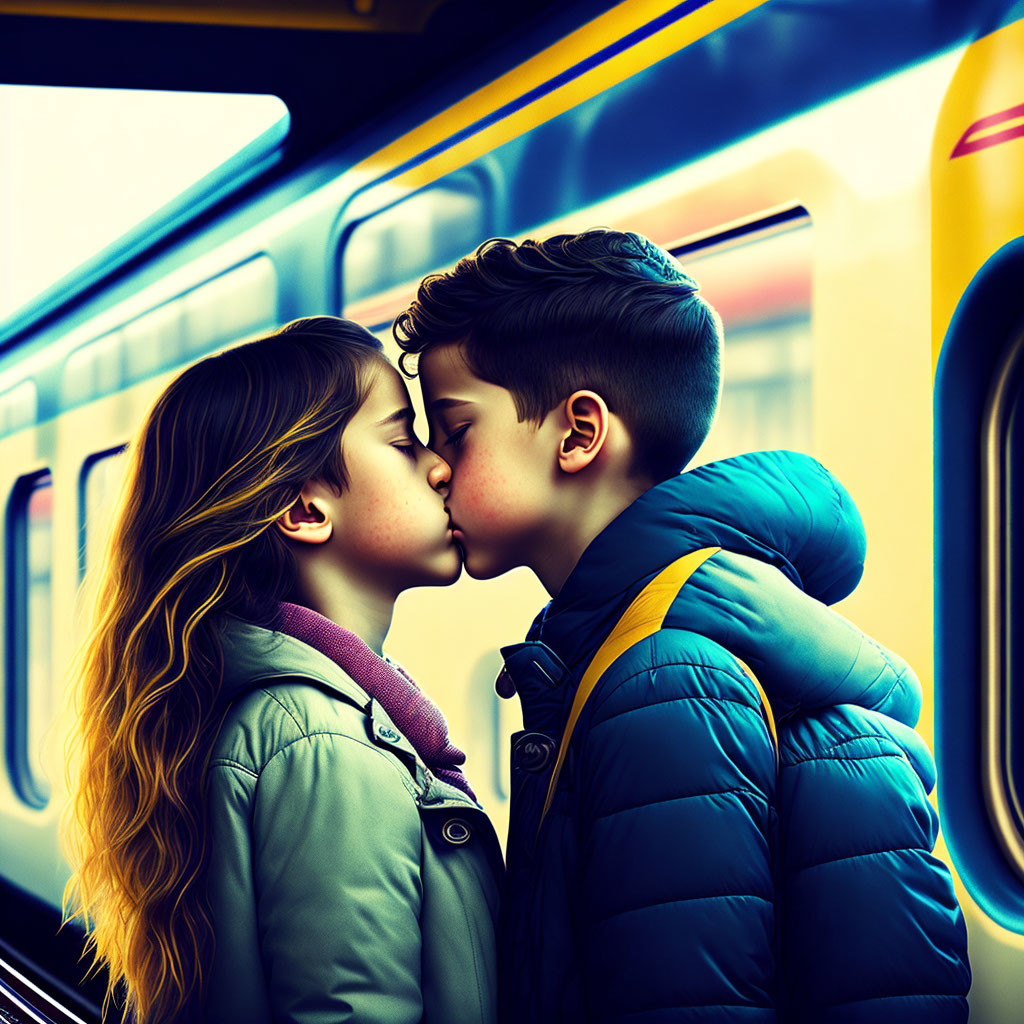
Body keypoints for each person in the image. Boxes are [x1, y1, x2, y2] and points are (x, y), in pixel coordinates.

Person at [394, 230, 972, 1022]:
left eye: (454, 430)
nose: (432, 465)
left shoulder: (663, 684)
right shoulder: (656, 641)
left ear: (579, 433)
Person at [62, 316, 502, 1024]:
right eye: (401, 441)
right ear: (304, 509)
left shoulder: (292, 720)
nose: (439, 465)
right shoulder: (324, 745)